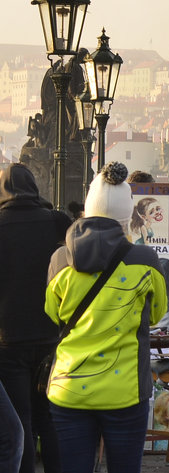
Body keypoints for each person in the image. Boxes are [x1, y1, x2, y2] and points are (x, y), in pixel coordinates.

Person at [44, 163, 168, 473]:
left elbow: (52, 314)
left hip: (69, 387)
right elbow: (157, 313)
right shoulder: (146, 261)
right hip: (125, 390)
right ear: (128, 215)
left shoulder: (60, 260)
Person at [0, 163, 71, 473]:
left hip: (7, 340)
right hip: (51, 338)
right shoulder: (57, 222)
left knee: (20, 421)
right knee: (50, 418)